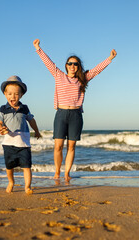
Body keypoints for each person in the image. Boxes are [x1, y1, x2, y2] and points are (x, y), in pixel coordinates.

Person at [33, 39, 117, 182]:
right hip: (61, 114)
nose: (72, 66)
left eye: (75, 64)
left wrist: (109, 58)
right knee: (58, 146)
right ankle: (57, 172)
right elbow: (48, 62)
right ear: (66, 66)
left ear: (78, 66)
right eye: (70, 63)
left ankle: (67, 173)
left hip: (76, 115)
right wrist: (38, 48)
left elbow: (97, 70)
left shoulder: (83, 78)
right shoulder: (59, 75)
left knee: (71, 147)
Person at [0, 75, 41, 194]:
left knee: (26, 167)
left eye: (16, 94)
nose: (13, 96)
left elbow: (31, 120)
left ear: (21, 95)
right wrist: (1, 129)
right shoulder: (3, 109)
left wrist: (36, 131)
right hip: (8, 144)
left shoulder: (24, 108)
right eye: (10, 94)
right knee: (9, 167)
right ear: (5, 94)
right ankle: (11, 182)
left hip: (24, 144)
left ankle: (27, 187)